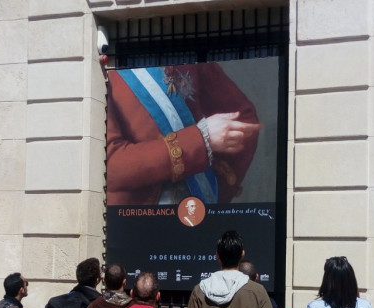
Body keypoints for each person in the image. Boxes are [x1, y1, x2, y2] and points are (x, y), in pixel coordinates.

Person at [105, 63, 262, 205]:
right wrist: (200, 140)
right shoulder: (102, 66)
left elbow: (244, 119)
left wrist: (215, 191)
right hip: (136, 220)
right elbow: (111, 166)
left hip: (200, 207)